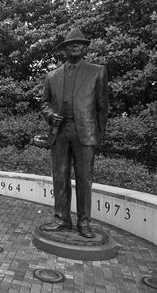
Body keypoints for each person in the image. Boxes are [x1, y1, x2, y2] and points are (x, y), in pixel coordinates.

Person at [41, 28, 109, 238]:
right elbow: (44, 103)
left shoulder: (96, 71)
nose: (75, 46)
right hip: (60, 131)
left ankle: (84, 222)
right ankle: (61, 219)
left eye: (79, 43)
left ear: (84, 47)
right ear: (65, 49)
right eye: (71, 44)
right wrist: (51, 116)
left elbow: (102, 107)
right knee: (59, 176)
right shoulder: (52, 76)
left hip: (85, 132)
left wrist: (98, 135)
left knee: (84, 178)